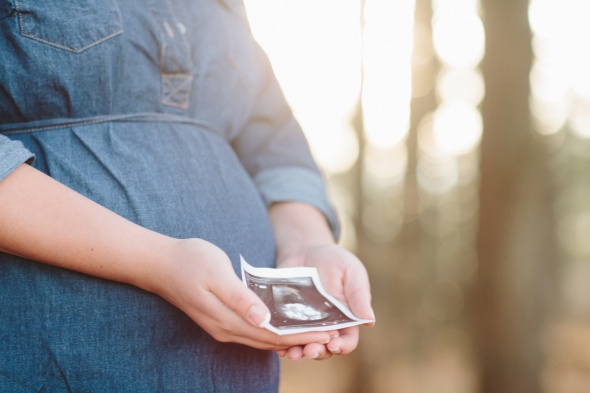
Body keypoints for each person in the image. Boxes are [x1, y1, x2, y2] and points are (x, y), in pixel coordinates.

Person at [0, 1, 374, 391]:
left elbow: (276, 147)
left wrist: (308, 245)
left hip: (231, 372)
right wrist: (157, 262)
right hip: (50, 352)